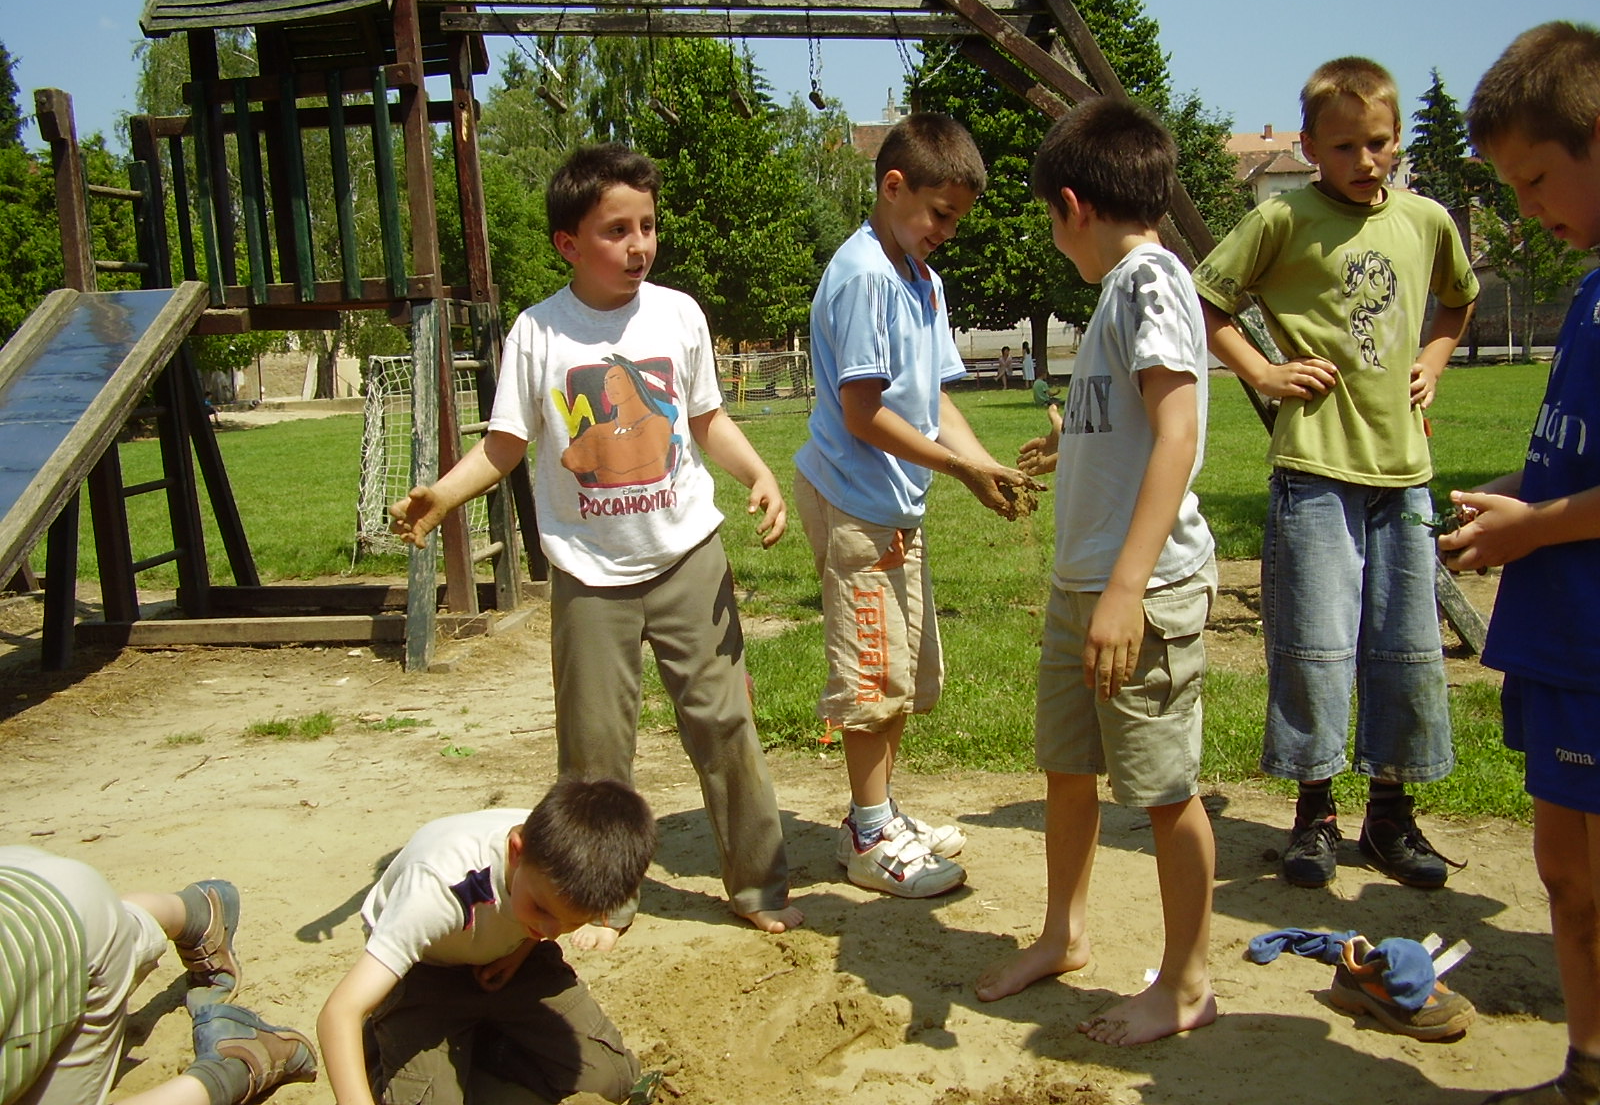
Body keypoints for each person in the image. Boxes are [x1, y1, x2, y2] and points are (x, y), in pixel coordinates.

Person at [390, 144, 802, 948]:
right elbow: (505, 445)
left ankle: (758, 883)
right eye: (617, 230)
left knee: (725, 725)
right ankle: (601, 901)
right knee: (593, 755)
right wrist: (442, 496)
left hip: (687, 556)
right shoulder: (538, 332)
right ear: (568, 244)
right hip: (588, 573)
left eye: (647, 226)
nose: (639, 245)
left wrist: (759, 474)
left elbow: (707, 419)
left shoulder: (678, 315)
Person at [1192, 56, 1478, 890]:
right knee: (1314, 648)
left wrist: (1435, 358)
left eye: (1379, 143)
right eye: (1345, 146)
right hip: (1315, 471)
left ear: (1397, 143)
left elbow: (1457, 298)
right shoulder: (1282, 217)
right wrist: (1264, 372)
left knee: (1406, 648)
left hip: (1403, 475)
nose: (1364, 160)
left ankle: (1390, 817)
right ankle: (1314, 815)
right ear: (1311, 147)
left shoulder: (1427, 221)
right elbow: (1208, 302)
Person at [973, 99, 1218, 1046]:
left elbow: (1178, 433)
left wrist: (1125, 591)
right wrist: (1066, 442)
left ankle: (1187, 983)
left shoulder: (1151, 280)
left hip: (1139, 596)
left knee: (1163, 792)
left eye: (1048, 217)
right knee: (1068, 769)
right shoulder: (1122, 290)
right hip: (1082, 590)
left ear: (1072, 205)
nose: (1051, 233)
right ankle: (1063, 935)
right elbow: (1129, 426)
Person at [793, 112, 1033, 899]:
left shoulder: (921, 279)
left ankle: (881, 813)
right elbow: (865, 414)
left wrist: (982, 462)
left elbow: (932, 400)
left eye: (956, 219)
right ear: (893, 187)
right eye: (940, 214)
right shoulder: (865, 275)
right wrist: (960, 470)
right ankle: (869, 837)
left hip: (893, 506)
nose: (947, 232)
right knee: (870, 677)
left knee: (899, 673)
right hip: (853, 504)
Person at [1439, 20, 1600, 1105]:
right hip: (1557, 638)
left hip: (1593, 640)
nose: (1530, 207)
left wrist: (1530, 529)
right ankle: (1585, 1067)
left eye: (1537, 178)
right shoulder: (1587, 292)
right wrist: (1516, 499)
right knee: (1562, 874)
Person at [317, 778, 656, 1105]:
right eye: (541, 909)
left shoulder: (568, 863)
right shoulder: (435, 888)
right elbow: (340, 1012)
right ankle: (382, 1049)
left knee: (612, 1081)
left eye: (572, 922)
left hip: (508, 958)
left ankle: (479, 1043)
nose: (552, 931)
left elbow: (546, 917)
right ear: (516, 852)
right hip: (422, 971)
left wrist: (522, 950)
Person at [1, 849, 316, 1105]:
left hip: (62, 930)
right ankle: (189, 914)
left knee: (85, 946)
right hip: (28, 882)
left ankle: (234, 1065)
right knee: (84, 928)